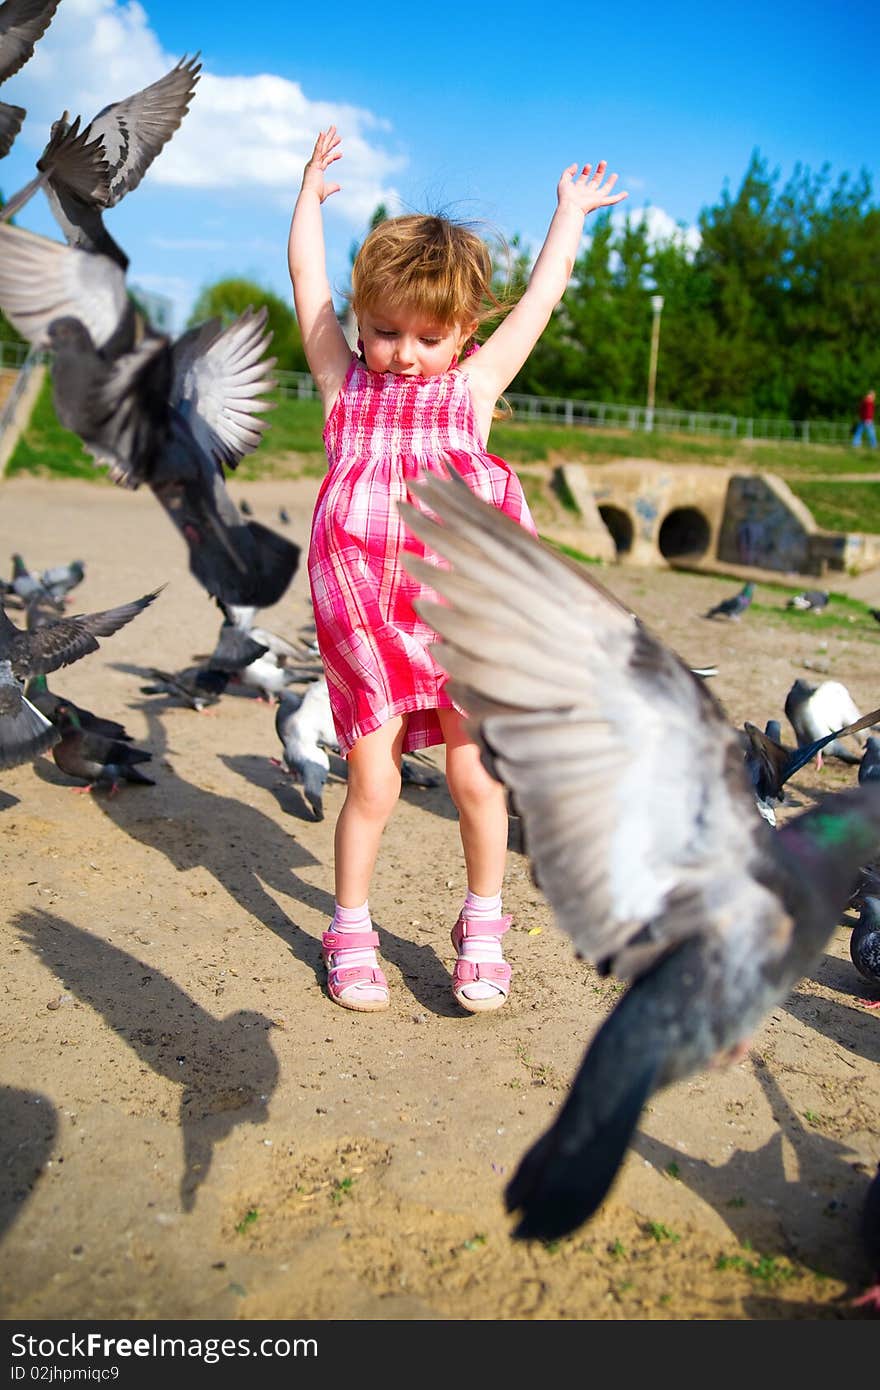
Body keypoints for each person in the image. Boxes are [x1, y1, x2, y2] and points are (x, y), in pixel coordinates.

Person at [287, 126, 627, 1014]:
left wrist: (568, 215)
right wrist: (307, 199)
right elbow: (306, 287)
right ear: (361, 323)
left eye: (426, 336)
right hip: (365, 613)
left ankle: (482, 924)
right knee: (372, 777)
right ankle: (349, 926)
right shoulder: (342, 387)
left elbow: (542, 301)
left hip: (458, 611)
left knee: (477, 776)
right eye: (384, 330)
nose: (401, 352)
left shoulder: (469, 391)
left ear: (463, 333)